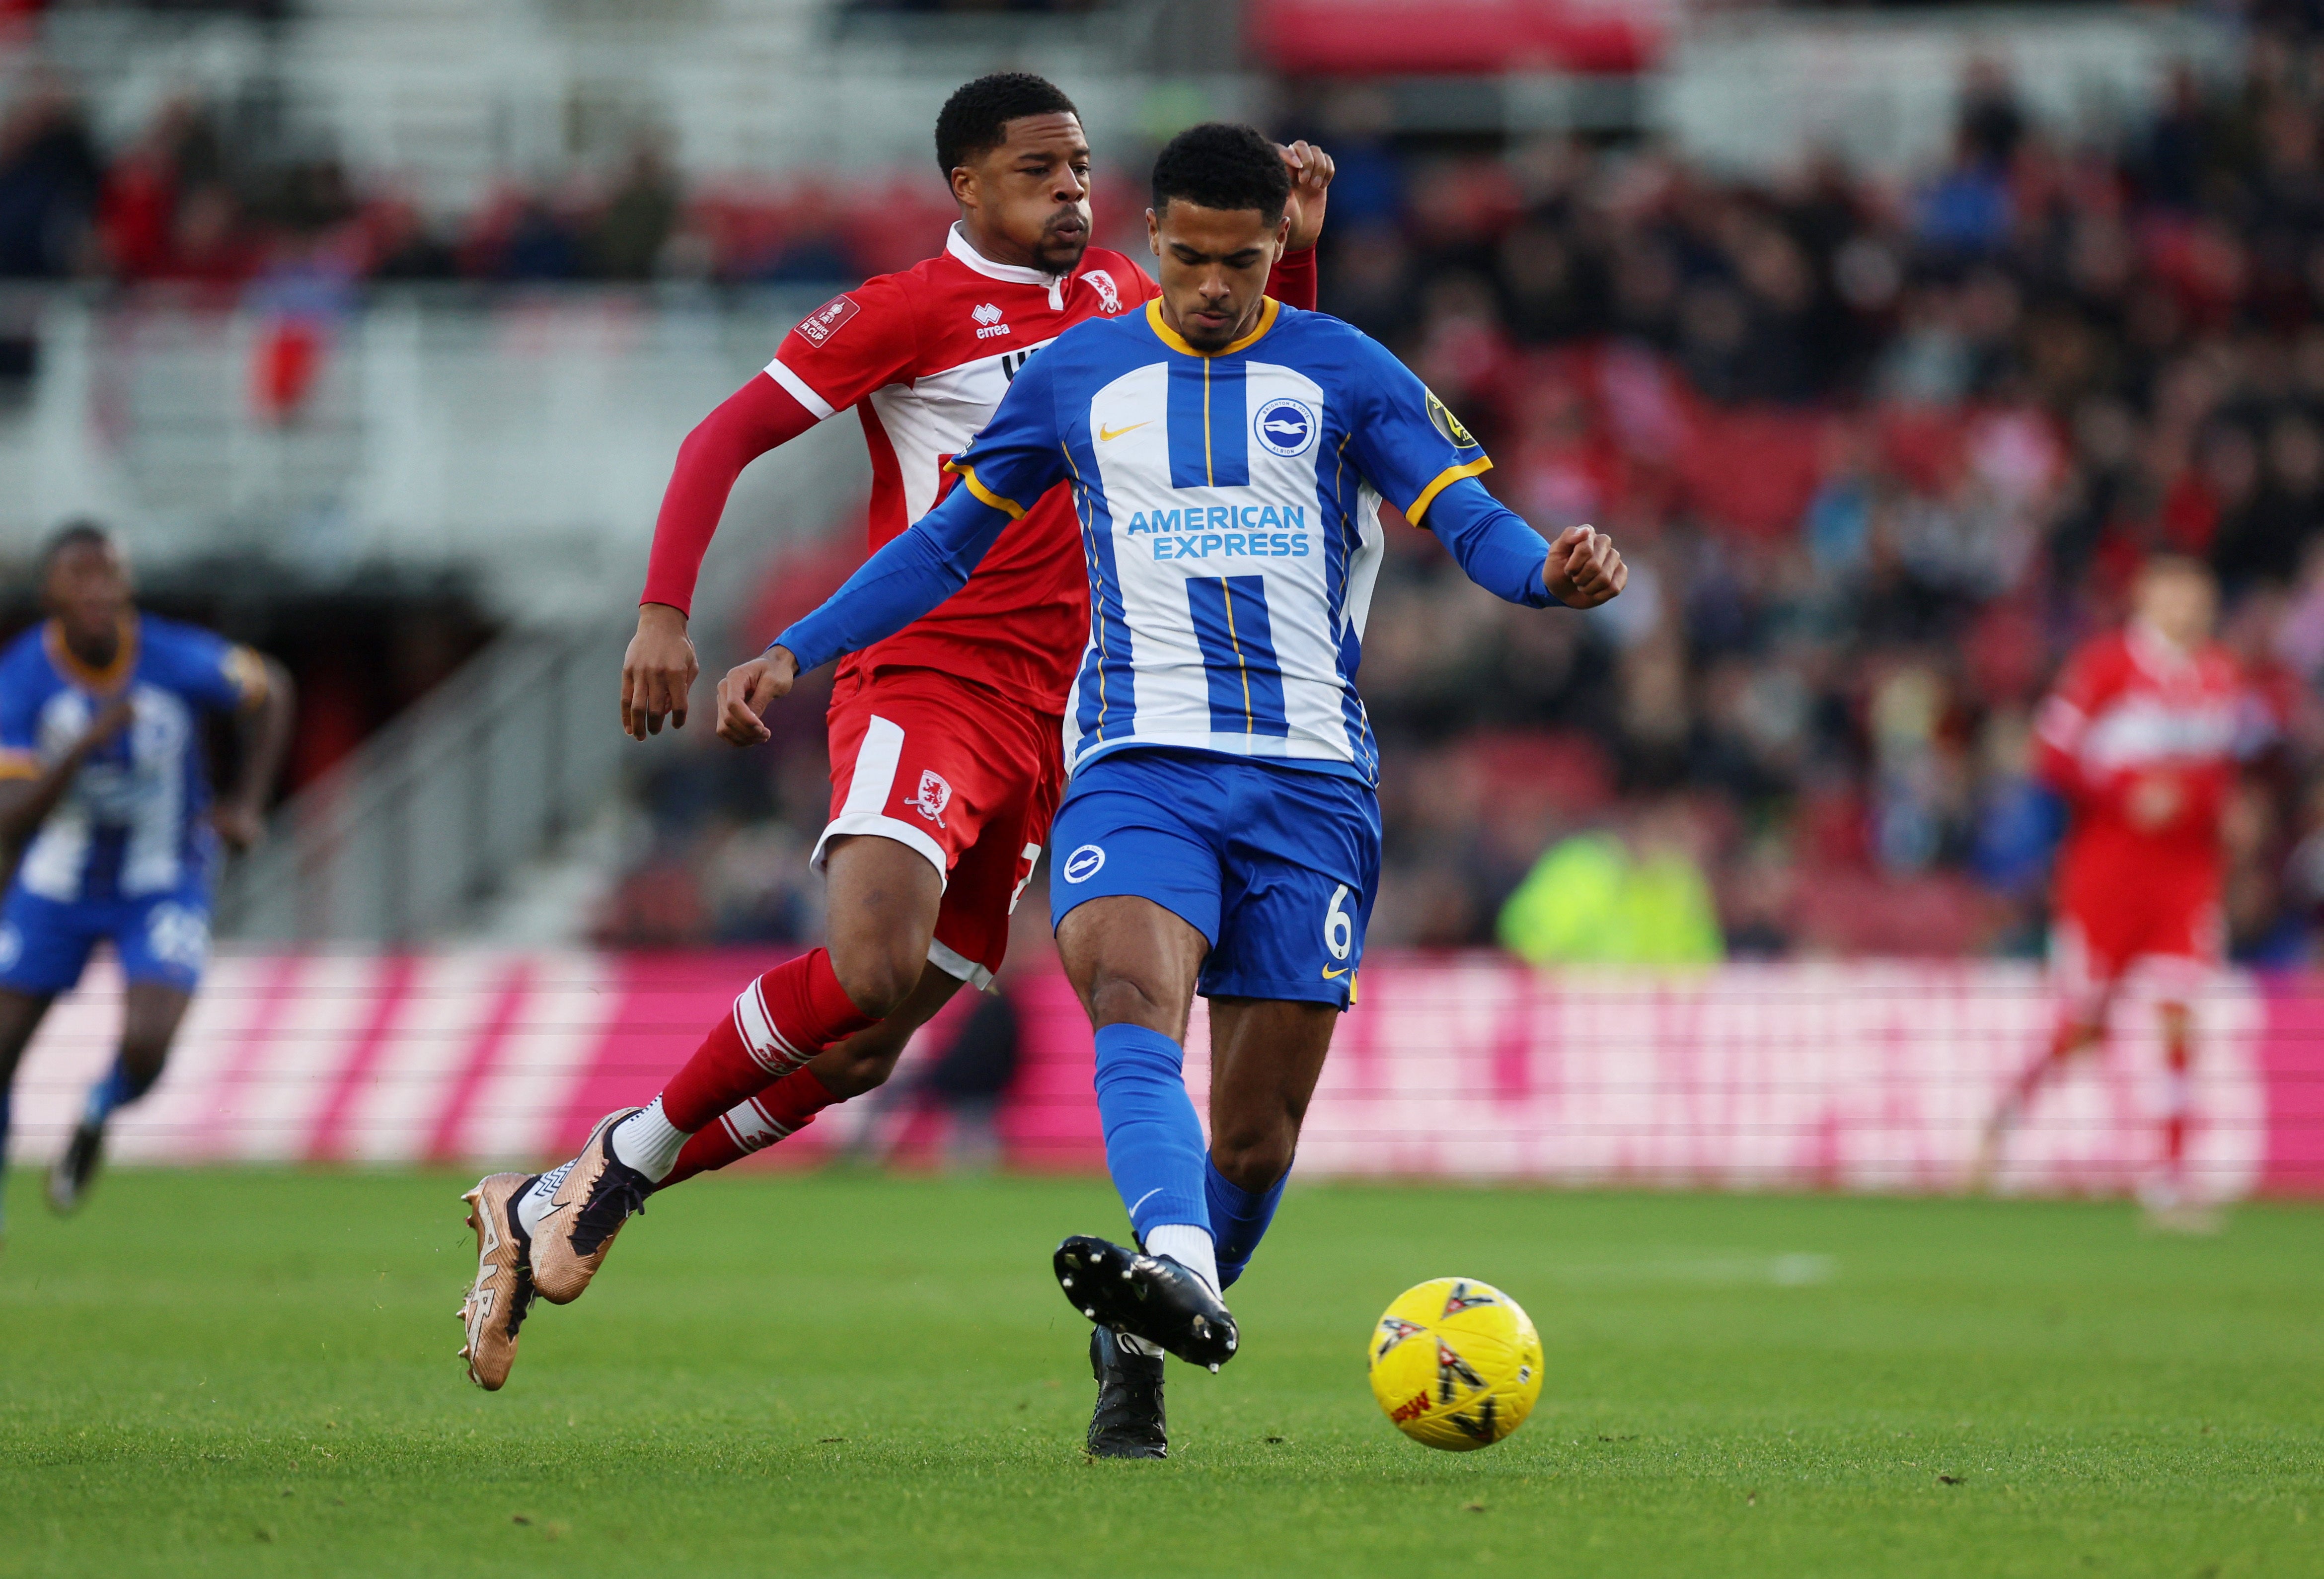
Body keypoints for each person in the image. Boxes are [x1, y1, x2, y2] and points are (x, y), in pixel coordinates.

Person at [714, 123, 1625, 1457]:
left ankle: (1142, 1324)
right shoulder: (1080, 374)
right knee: (1133, 998)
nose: (1210, 284)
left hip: (1310, 787)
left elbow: (1466, 518)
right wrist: (802, 645)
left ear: (1277, 251)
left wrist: (1551, 572)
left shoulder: (1345, 369)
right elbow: (946, 546)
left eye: (1241, 261)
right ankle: (1182, 1272)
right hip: (1137, 767)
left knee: (1255, 1138)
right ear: (1153, 240)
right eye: (1188, 255)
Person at [456, 74, 1335, 1390]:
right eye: (1038, 171)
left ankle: (556, 1194)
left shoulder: (1118, 298)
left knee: (867, 1049)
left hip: (1063, 716)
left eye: (1082, 167)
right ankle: (621, 1167)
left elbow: (1270, 390)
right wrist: (662, 614)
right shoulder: (908, 312)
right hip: (924, 674)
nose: (1071, 191)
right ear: (967, 186)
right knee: (866, 965)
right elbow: (720, 439)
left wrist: (1300, 254)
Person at [0, 521, 293, 1234]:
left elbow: (272, 690)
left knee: (148, 1042)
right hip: (57, 884)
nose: (101, 591)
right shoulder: (22, 676)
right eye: (83, 577)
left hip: (162, 878)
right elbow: (9, 817)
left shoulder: (172, 655)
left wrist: (247, 805)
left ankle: (98, 1110)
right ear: (51, 594)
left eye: (112, 575)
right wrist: (77, 753)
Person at [1976, 556, 2255, 1228]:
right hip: (2108, 874)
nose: (2189, 607)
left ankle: (2170, 1178)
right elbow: (2049, 753)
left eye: (2200, 595)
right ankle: (2010, 1110)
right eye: (2176, 592)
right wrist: (2127, 792)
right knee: (2088, 1023)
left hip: (2187, 875)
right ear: (2146, 596)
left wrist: (2225, 812)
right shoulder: (2104, 667)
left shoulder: (2220, 675)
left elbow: (2216, 773)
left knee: (2180, 1011)